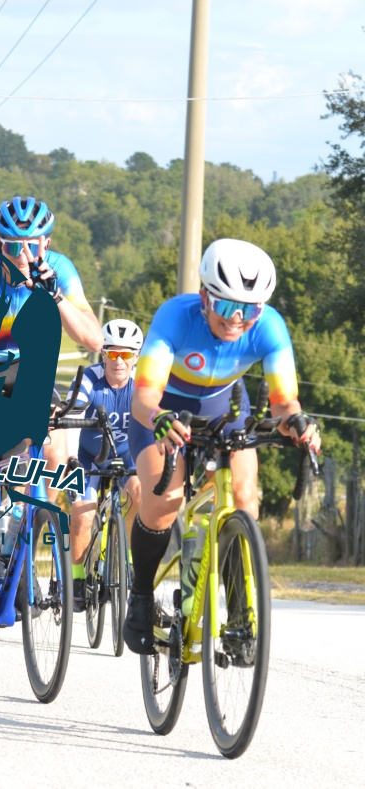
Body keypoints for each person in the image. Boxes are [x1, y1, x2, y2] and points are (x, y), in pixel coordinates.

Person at [123, 238, 322, 654]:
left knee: (243, 498)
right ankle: (140, 594)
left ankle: (239, 614)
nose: (237, 319)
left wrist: (297, 423)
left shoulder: (269, 327)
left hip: (224, 407)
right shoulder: (175, 317)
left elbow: (284, 402)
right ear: (204, 298)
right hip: (164, 408)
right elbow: (143, 398)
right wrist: (159, 418)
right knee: (164, 501)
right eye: (227, 305)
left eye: (249, 310)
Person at [0, 196, 102, 622]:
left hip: (30, 372)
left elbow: (93, 340)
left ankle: (22, 539)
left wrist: (56, 296)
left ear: (45, 243)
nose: (20, 254)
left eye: (30, 245)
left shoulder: (60, 270)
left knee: (55, 451)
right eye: (11, 245)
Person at [67, 318, 144, 613]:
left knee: (139, 495)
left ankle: (129, 560)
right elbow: (76, 401)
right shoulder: (91, 377)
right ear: (103, 354)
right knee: (82, 516)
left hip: (127, 457)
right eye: (112, 353)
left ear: (136, 357)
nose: (118, 361)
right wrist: (70, 412)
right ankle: (77, 579)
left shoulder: (142, 384)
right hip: (90, 457)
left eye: (125, 354)